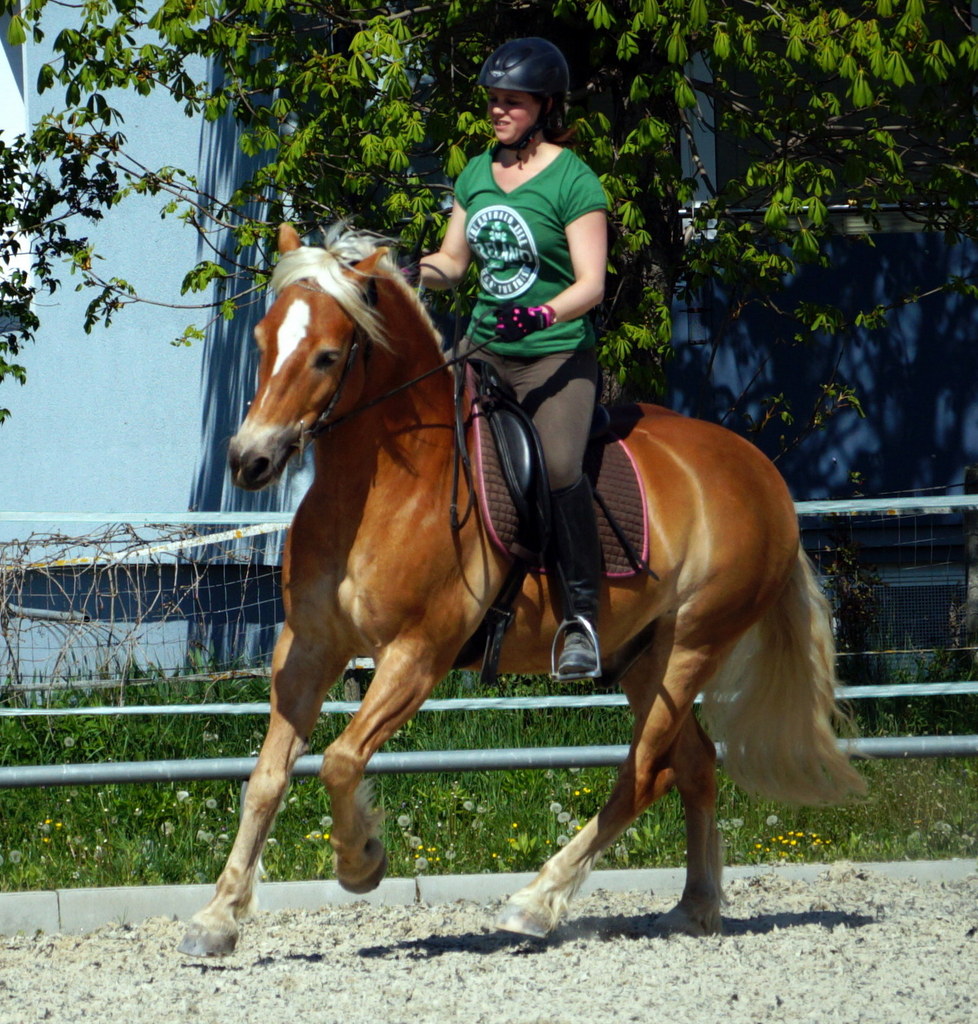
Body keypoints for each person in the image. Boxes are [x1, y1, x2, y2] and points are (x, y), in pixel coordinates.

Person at [416, 37, 608, 681]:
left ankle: (582, 618)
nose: (499, 112)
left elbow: (591, 284)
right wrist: (424, 271)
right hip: (483, 350)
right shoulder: (475, 174)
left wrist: (546, 313)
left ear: (545, 107)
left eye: (512, 103)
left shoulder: (575, 180)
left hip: (555, 358)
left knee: (556, 466)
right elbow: (454, 260)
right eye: (494, 102)